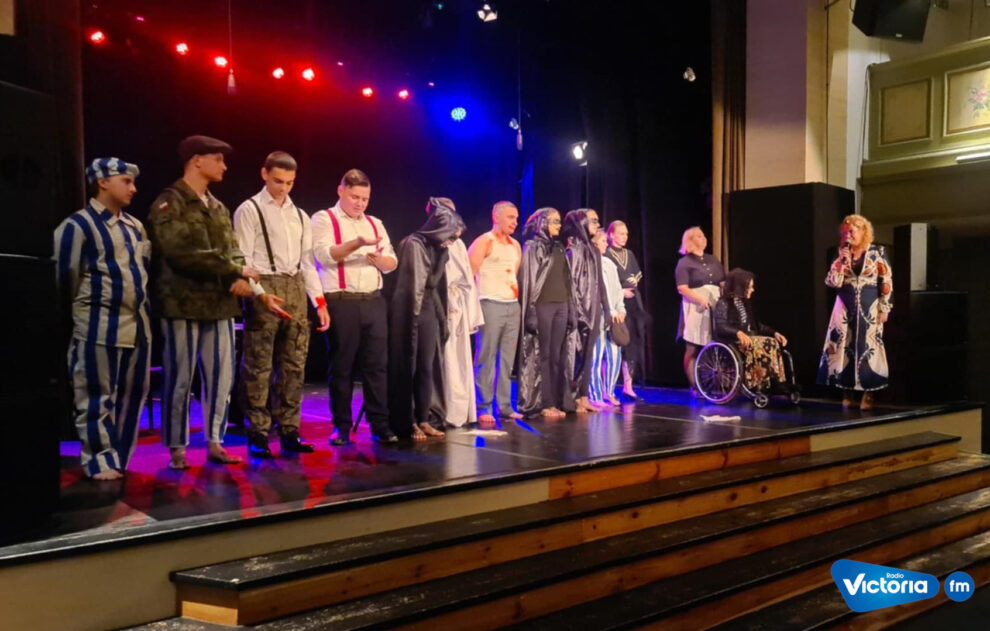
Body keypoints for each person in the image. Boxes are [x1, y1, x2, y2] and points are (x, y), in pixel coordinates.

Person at [147, 135, 251, 469]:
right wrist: (233, 268)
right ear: (196, 160)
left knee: (221, 378)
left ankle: (215, 441)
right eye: (217, 159)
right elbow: (179, 251)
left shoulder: (218, 207)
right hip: (183, 303)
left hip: (219, 305)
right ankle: (177, 446)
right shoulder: (170, 201)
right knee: (180, 378)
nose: (224, 166)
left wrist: (239, 277)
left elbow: (233, 248)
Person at [54, 158, 151, 480]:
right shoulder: (77, 226)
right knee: (96, 396)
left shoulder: (135, 227)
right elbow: (64, 277)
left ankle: (119, 458)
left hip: (136, 326)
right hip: (98, 325)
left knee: (132, 396)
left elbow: (142, 272)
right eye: (126, 181)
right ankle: (98, 460)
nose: (133, 188)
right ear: (103, 182)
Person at [233, 151, 330, 458]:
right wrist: (260, 293)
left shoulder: (299, 215)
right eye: (278, 181)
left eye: (289, 182)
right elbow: (244, 259)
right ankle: (258, 431)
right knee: (259, 364)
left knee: (294, 363)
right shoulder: (249, 209)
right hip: (265, 283)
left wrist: (319, 301)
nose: (283, 188)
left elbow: (307, 262)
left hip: (295, 285)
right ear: (264, 174)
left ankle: (289, 429)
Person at [311, 169, 398, 445]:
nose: (360, 203)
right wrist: (357, 243)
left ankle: (379, 424)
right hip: (342, 301)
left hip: (373, 300)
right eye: (355, 197)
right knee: (342, 367)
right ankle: (342, 426)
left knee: (377, 366)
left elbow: (391, 262)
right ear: (341, 191)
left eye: (365, 198)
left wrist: (380, 261)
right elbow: (324, 255)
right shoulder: (325, 218)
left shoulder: (375, 223)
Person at [388, 198, 465, 440]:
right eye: (451, 236)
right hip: (411, 310)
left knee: (426, 366)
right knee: (409, 365)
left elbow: (434, 285)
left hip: (429, 308)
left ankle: (424, 418)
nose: (451, 242)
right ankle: (408, 420)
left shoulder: (439, 248)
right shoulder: (414, 243)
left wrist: (442, 319)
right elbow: (418, 285)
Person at [818, 214, 892, 410]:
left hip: (869, 306)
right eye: (845, 233)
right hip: (844, 306)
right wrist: (842, 263)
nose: (848, 236)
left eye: (851, 232)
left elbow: (886, 282)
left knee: (869, 347)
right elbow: (833, 282)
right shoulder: (840, 253)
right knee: (843, 347)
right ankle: (846, 391)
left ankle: (868, 393)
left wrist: (884, 307)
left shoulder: (877, 252)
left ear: (863, 231)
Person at [467, 201, 523, 427]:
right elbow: (468, 274)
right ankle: (483, 405)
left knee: (507, 359)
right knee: (486, 356)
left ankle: (505, 406)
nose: (515, 222)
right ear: (496, 217)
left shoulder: (515, 245)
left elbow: (514, 274)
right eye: (510, 217)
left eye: (516, 218)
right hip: (489, 304)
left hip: (512, 305)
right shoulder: (484, 241)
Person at [517, 208, 571, 418]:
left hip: (561, 305)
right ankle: (544, 403)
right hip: (543, 305)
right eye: (554, 221)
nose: (559, 225)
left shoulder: (559, 247)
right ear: (542, 223)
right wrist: (530, 311)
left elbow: (567, 281)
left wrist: (571, 308)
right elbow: (529, 281)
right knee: (544, 354)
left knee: (557, 354)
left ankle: (556, 401)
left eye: (559, 221)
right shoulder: (533, 247)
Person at [713, 269, 789, 392]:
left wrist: (774, 333)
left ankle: (776, 381)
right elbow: (721, 326)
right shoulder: (724, 303)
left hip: (750, 338)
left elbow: (758, 326)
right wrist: (738, 333)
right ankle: (755, 383)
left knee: (773, 342)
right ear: (740, 287)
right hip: (733, 341)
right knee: (762, 344)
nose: (752, 290)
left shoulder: (746, 303)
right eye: (750, 287)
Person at [442, 204, 484, 429]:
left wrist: (471, 312)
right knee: (446, 360)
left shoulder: (458, 244)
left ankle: (460, 410)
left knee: (459, 361)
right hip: (442, 305)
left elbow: (467, 279)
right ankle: (442, 409)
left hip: (457, 306)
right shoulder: (428, 242)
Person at [563, 208, 605, 413]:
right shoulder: (572, 249)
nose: (597, 224)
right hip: (579, 309)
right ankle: (572, 396)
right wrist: (576, 310)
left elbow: (599, 283)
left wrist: (604, 308)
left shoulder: (593, 250)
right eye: (593, 220)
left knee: (589, 353)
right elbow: (571, 284)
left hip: (593, 308)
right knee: (576, 353)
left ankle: (583, 395)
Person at [675, 226, 726, 396]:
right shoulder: (685, 262)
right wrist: (700, 299)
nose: (703, 238)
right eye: (698, 236)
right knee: (693, 347)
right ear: (689, 241)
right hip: (695, 307)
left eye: (703, 236)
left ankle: (715, 384)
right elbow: (682, 288)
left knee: (715, 343)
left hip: (715, 305)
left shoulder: (713, 260)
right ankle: (694, 385)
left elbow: (722, 283)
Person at [604, 220, 650, 401]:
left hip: (632, 304)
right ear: (611, 235)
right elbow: (607, 281)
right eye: (621, 233)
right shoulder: (606, 254)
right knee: (615, 342)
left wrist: (633, 282)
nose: (625, 237)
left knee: (632, 344)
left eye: (626, 234)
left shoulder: (628, 254)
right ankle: (607, 387)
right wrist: (620, 291)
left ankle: (628, 386)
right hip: (616, 304)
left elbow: (635, 274)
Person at [589, 230, 626, 407]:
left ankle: (609, 392)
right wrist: (609, 311)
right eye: (603, 241)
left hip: (614, 319)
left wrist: (621, 309)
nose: (606, 244)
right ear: (594, 243)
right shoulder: (589, 263)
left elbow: (617, 290)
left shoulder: (609, 264)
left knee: (614, 356)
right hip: (598, 317)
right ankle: (594, 395)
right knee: (596, 358)